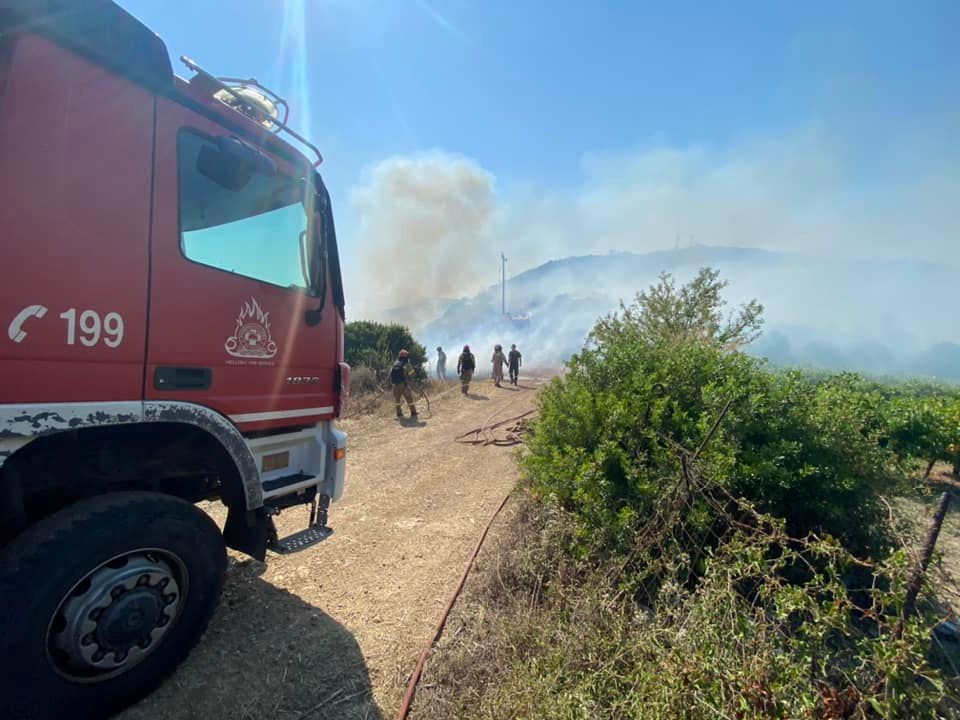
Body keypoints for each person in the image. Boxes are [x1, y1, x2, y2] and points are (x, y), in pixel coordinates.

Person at [390, 349, 417, 419]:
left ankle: (399, 414)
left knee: (397, 400)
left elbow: (391, 374)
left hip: (395, 385)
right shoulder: (406, 364)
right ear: (406, 356)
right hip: (403, 384)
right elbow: (412, 374)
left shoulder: (395, 363)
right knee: (409, 398)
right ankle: (413, 412)